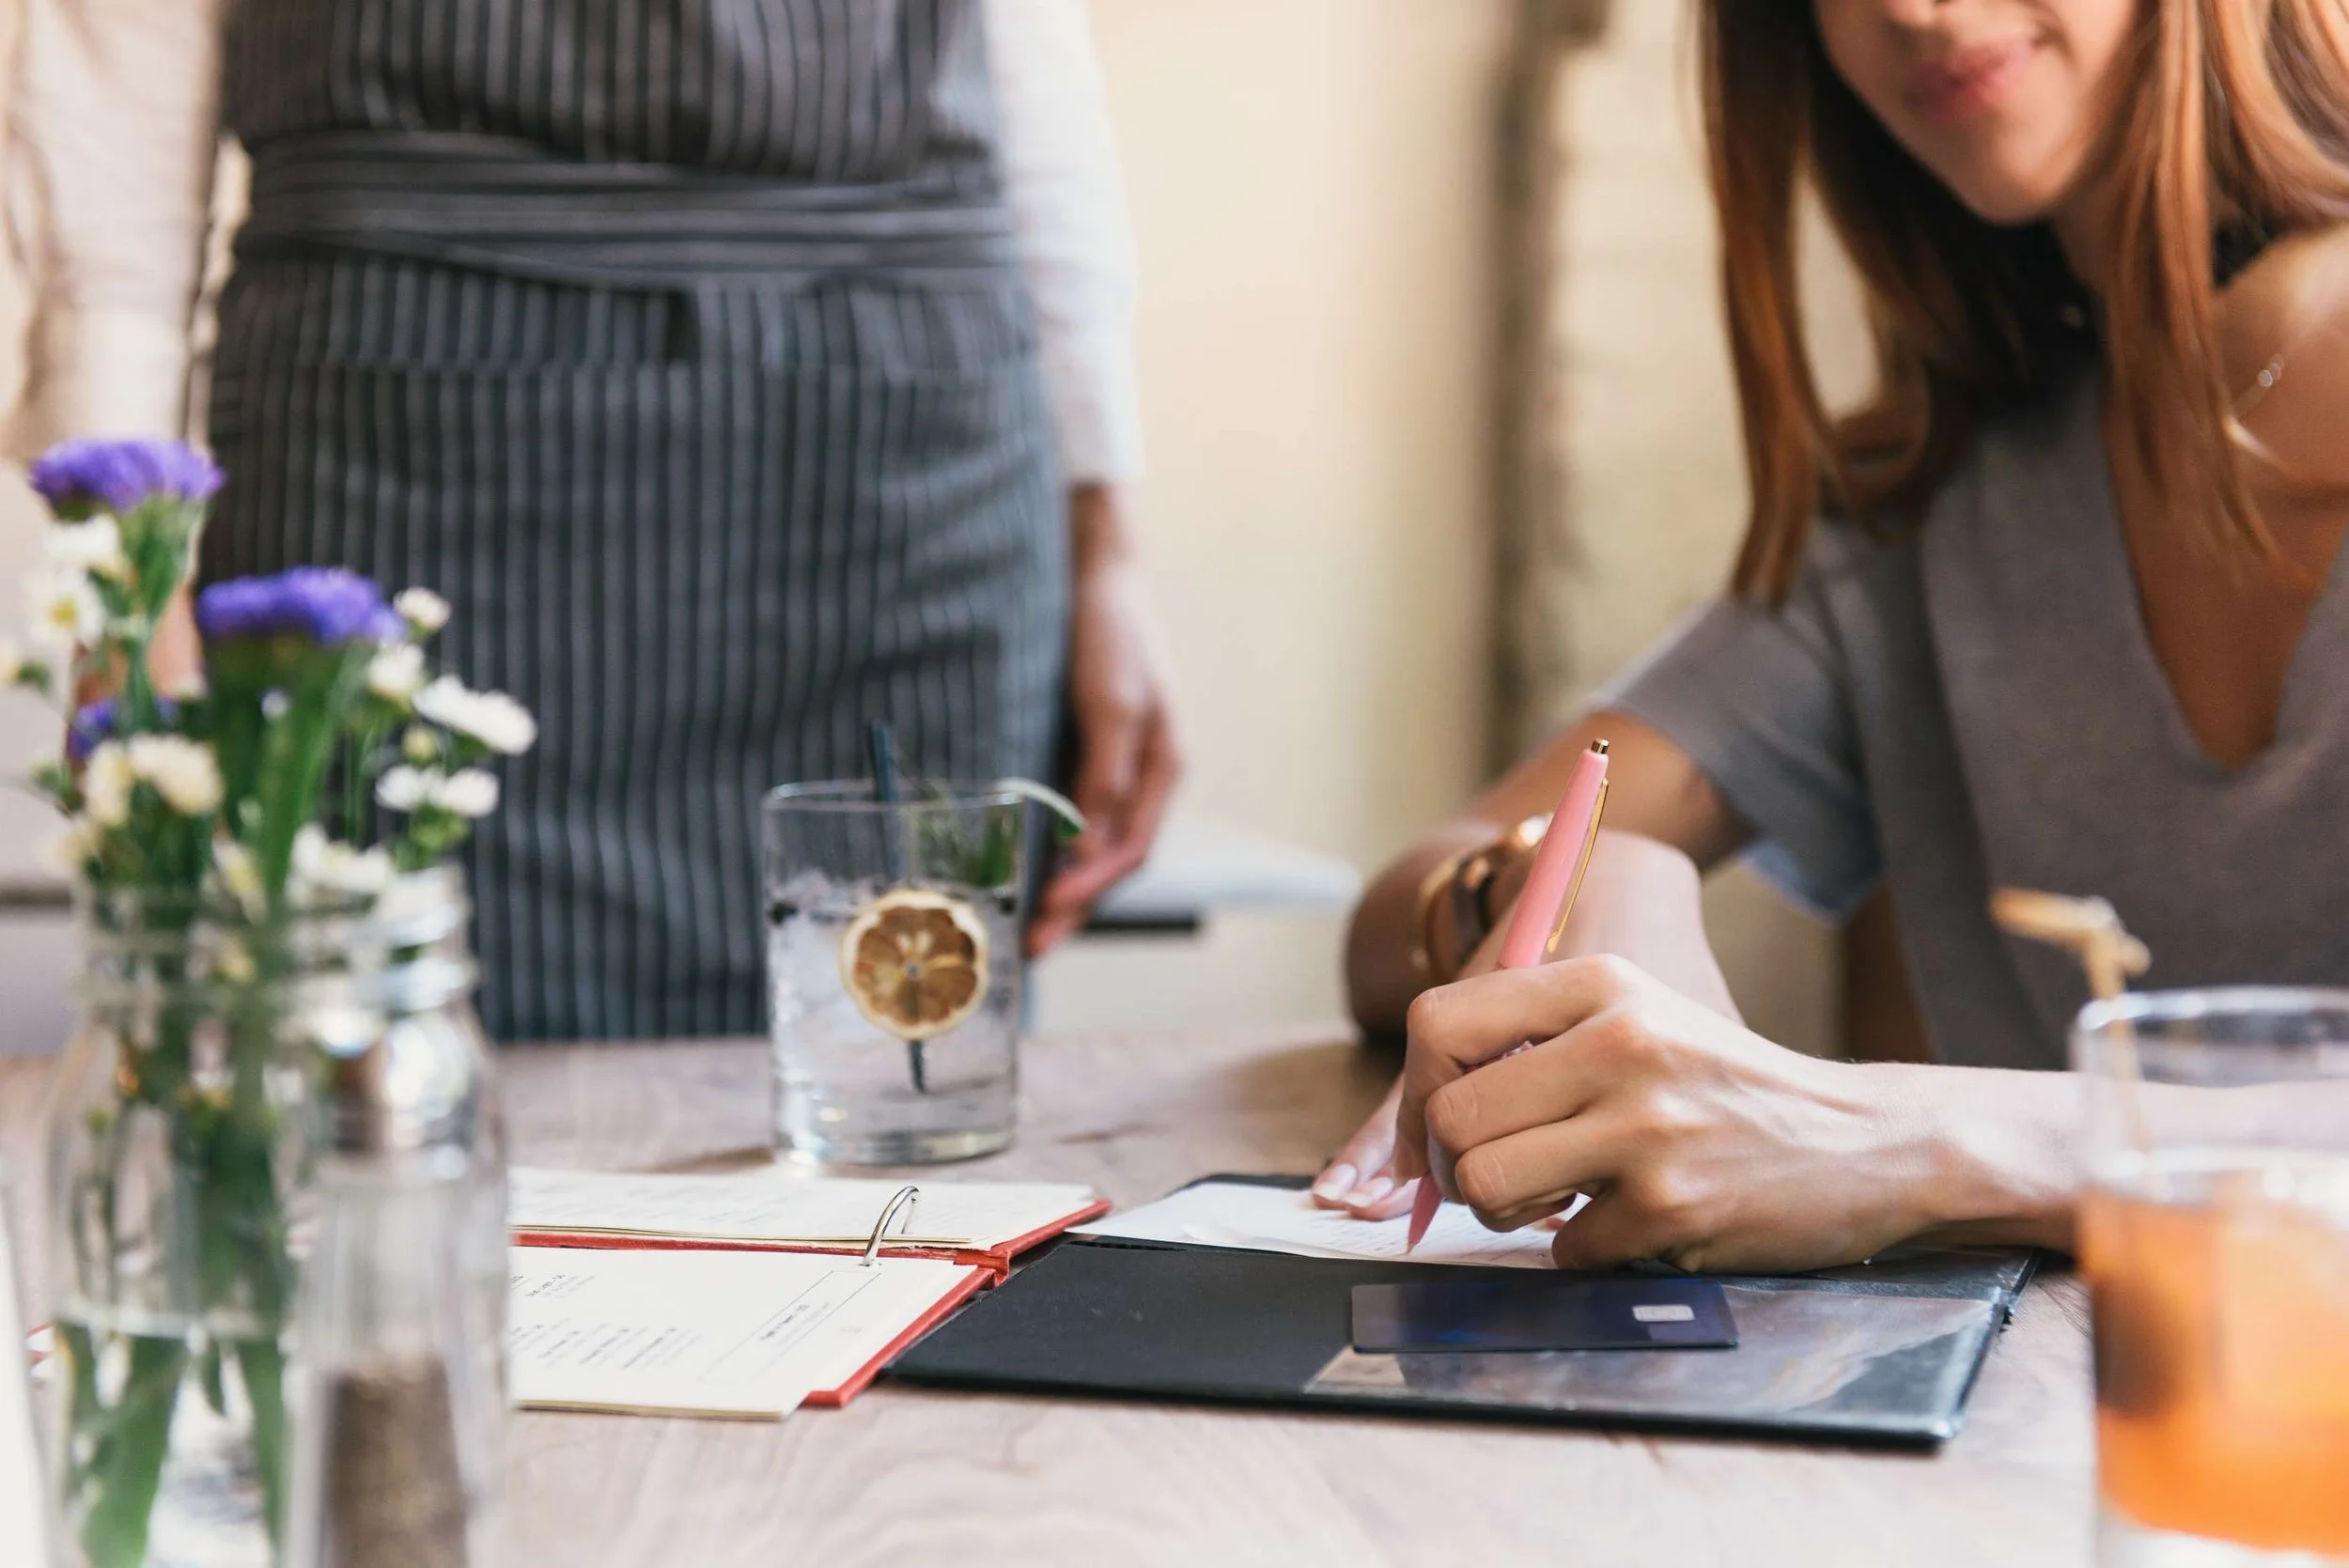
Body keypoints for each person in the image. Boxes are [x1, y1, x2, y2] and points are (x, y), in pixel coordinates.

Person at [1317, 0, 2349, 1272]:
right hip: (2030, 1448)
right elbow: (1387, 919)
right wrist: (1584, 875)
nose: (1911, 9)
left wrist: (1899, 1138)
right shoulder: (1930, 505)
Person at [7, 0, 1181, 1039]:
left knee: (897, 1114)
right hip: (392, 457)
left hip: (905, 474)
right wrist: (129, 582)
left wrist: (1107, 543)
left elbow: (1029, 53)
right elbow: (115, 113)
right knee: (389, 1130)